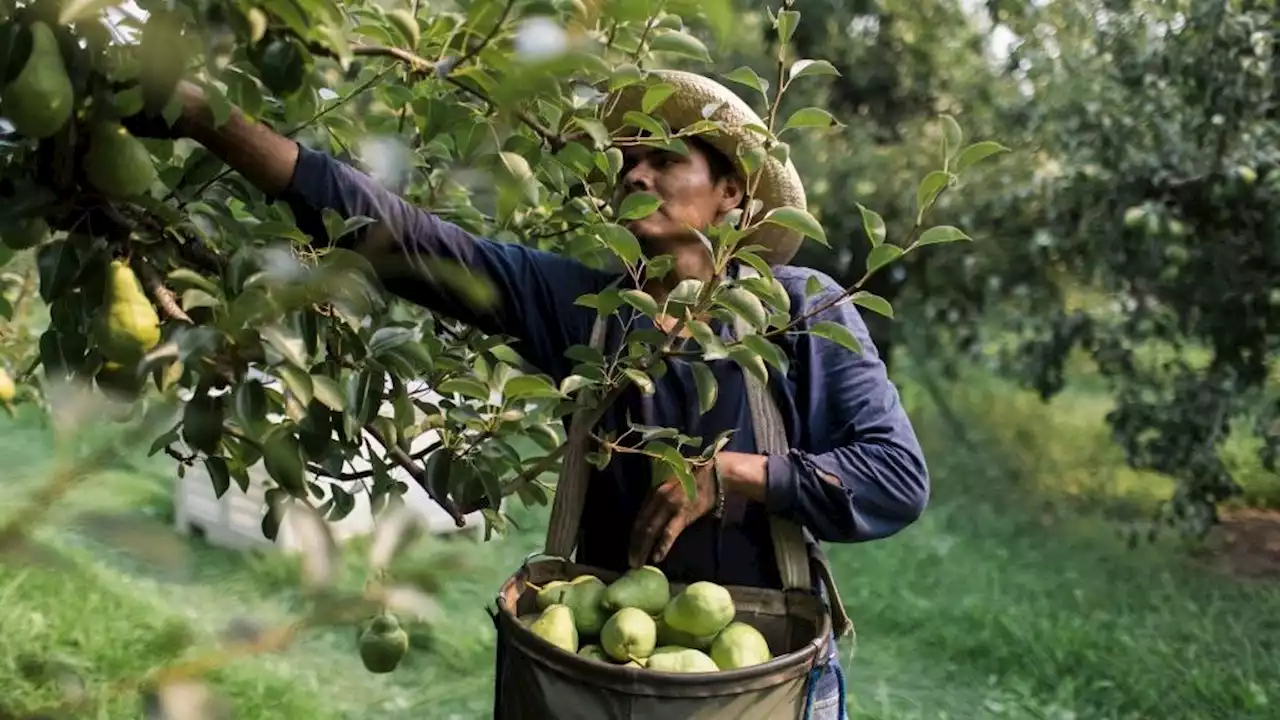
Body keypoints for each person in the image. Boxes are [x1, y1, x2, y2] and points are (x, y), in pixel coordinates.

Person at [142, 69, 930, 718]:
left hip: (764, 689)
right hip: (603, 675)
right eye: (625, 164)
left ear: (731, 190)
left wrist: (729, 475)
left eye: (663, 158)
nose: (637, 174)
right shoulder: (584, 309)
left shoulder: (801, 310)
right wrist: (213, 121)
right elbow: (406, 239)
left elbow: (896, 479)